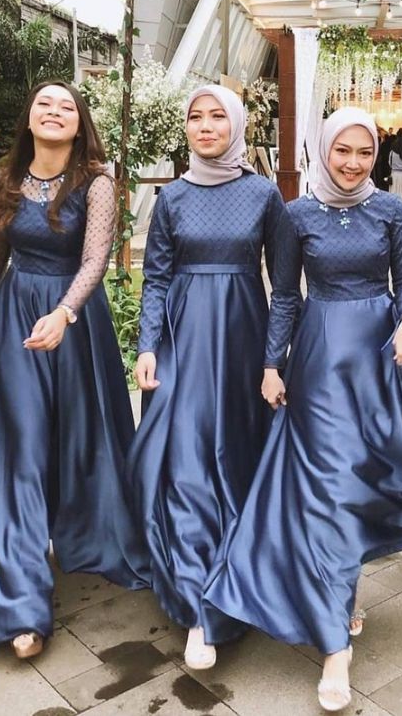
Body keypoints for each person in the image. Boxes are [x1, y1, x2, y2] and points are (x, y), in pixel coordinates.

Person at [205, 107, 402, 712]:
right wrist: (271, 364)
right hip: (318, 362)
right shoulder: (295, 215)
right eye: (341, 151)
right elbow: (286, 294)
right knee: (329, 490)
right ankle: (335, 645)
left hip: (376, 358)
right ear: (323, 149)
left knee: (374, 480)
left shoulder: (392, 210)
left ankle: (352, 583)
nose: (352, 163)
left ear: (376, 156)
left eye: (364, 153)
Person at [0, 81, 148, 658]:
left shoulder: (97, 181)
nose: (55, 111)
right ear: (30, 118)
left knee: (83, 438)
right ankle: (19, 600)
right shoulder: (8, 178)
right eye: (44, 102)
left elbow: (94, 260)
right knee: (18, 446)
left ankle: (86, 534)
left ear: (79, 121)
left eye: (67, 105)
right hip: (17, 318)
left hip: (75, 321)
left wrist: (65, 312)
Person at [128, 84, 285, 671]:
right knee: (188, 467)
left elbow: (287, 289)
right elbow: (157, 278)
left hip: (244, 342)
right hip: (183, 343)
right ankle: (199, 610)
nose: (205, 126)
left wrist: (273, 361)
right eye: (196, 117)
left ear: (237, 125)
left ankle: (238, 581)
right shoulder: (171, 198)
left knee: (236, 464)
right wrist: (148, 347)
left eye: (218, 116)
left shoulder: (264, 195)